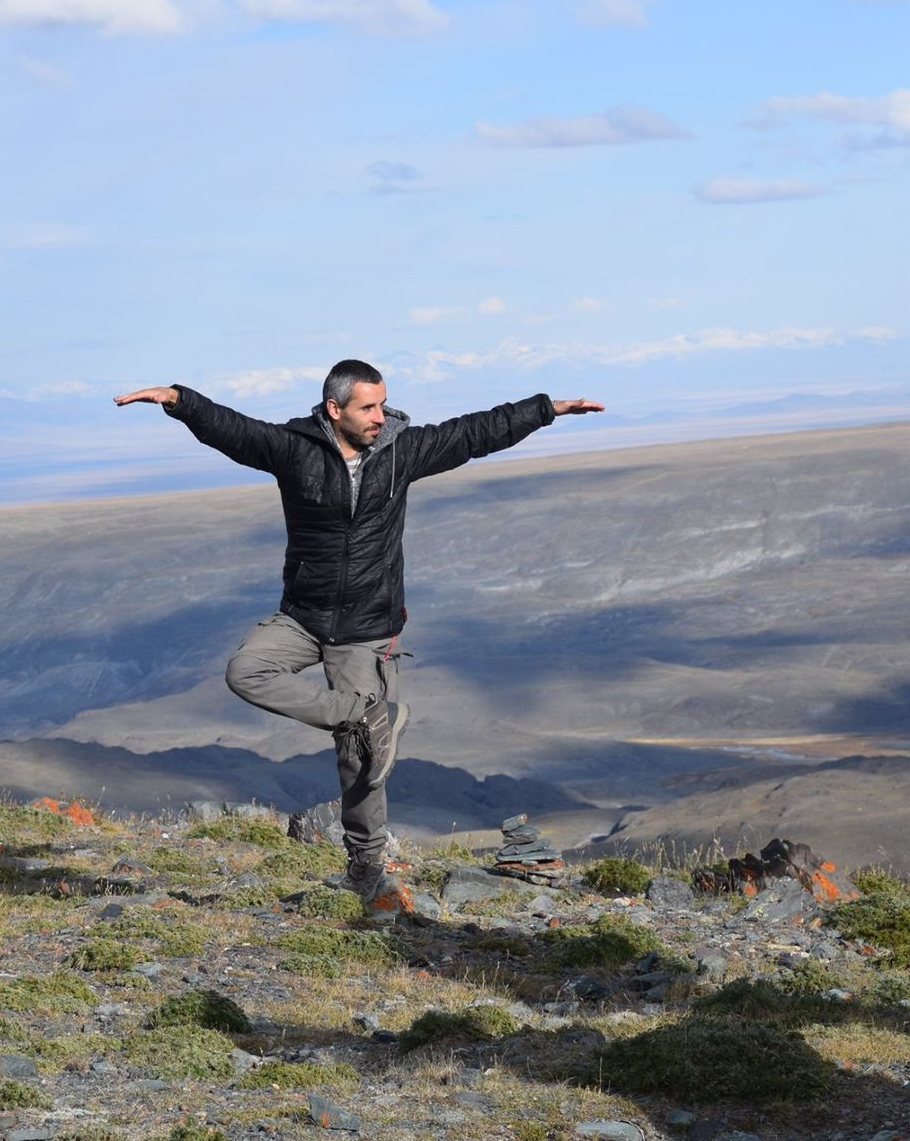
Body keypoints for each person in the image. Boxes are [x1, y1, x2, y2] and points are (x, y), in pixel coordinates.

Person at [115, 362, 603, 907]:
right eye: (368, 408)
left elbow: (474, 433)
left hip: (368, 628)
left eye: (382, 405)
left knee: (362, 758)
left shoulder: (402, 450)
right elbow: (235, 429)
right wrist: (180, 400)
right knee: (246, 671)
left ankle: (366, 867)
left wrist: (545, 410)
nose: (380, 416)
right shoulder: (293, 449)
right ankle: (362, 714)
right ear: (335, 409)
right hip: (304, 617)